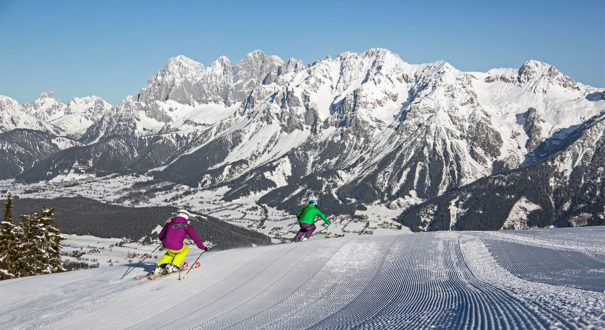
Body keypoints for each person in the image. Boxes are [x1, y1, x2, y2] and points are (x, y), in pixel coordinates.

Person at [151, 209, 207, 275]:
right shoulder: (186, 226)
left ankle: (159, 267)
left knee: (170, 254)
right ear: (186, 217)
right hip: (176, 246)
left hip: (166, 245)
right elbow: (196, 239)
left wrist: (166, 240)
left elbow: (161, 236)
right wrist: (203, 247)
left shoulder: (169, 224)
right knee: (185, 248)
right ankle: (174, 266)